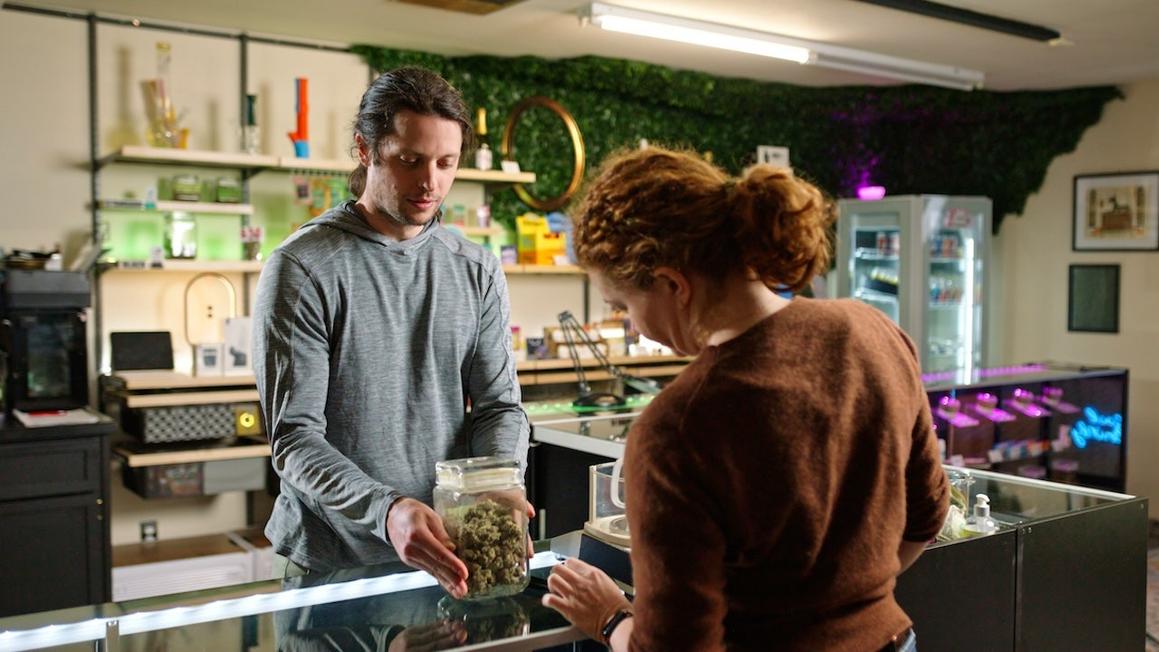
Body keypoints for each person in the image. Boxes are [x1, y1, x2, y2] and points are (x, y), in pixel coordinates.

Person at [541, 146, 948, 651]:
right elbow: (927, 516)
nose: (633, 326)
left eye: (623, 306)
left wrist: (609, 617)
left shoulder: (677, 429)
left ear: (672, 284)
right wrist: (842, 599)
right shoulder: (873, 331)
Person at [252, 66, 530, 599]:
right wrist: (387, 511)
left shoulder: (476, 270)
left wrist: (497, 482)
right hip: (332, 563)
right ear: (365, 149)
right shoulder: (304, 268)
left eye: (446, 163)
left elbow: (499, 407)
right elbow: (294, 439)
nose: (430, 183)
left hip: (449, 554)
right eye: (410, 160)